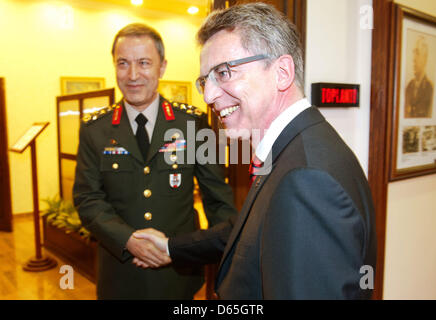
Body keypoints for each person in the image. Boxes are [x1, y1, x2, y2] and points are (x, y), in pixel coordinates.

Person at [133, 3, 377, 299]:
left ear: (282, 72)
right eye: (204, 81)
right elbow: (253, 228)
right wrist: (172, 247)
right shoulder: (295, 148)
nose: (209, 95)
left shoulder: (307, 178)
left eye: (224, 73)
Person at [73, 23, 237, 299]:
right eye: (123, 63)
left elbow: (218, 199)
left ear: (162, 67)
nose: (133, 74)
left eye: (144, 63)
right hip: (121, 271)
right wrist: (128, 240)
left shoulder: (192, 124)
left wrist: (226, 260)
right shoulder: (95, 129)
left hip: (178, 273)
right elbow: (88, 199)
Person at [405, 36, 434, 118]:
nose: (413, 59)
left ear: (425, 58)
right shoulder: (409, 87)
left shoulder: (430, 88)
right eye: (413, 53)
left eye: (417, 53)